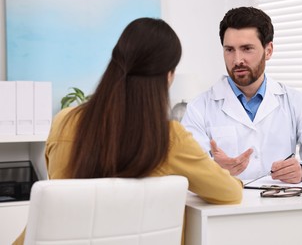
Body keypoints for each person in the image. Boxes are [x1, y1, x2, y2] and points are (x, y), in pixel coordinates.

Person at [13, 17, 242, 245]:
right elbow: (229, 192)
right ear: (168, 75)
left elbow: (62, 195)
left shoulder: (64, 121)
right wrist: (219, 172)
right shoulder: (169, 138)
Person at [181, 7, 302, 183]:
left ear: (268, 51)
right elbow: (186, 167)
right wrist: (215, 170)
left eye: (247, 49)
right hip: (226, 208)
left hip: (281, 205)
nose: (237, 60)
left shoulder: (296, 102)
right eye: (229, 49)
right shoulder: (199, 108)